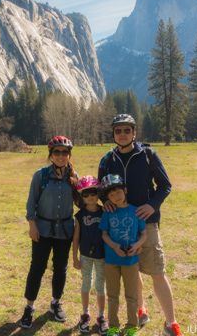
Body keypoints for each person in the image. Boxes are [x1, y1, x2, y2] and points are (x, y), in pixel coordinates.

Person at [98, 114, 182, 336]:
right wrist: (106, 201)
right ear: (113, 134)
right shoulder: (107, 160)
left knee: (157, 271)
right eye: (118, 130)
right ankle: (141, 310)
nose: (122, 134)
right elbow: (101, 190)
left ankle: (171, 323)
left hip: (146, 223)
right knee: (131, 270)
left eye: (127, 130)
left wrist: (152, 205)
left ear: (134, 132)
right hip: (119, 226)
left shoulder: (147, 155)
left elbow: (164, 185)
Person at [20, 135, 79, 329]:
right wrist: (32, 225)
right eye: (57, 152)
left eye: (65, 152)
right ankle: (29, 307)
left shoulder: (73, 177)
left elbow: (82, 201)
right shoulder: (40, 176)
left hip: (64, 231)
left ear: (69, 155)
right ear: (51, 155)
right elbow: (31, 203)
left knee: (60, 268)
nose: (61, 156)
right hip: (42, 230)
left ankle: (55, 303)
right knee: (37, 267)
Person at [99, 174, 146, 336]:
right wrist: (115, 246)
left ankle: (132, 325)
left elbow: (144, 234)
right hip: (111, 260)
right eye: (111, 195)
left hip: (131, 261)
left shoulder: (136, 211)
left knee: (131, 295)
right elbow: (104, 234)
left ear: (125, 190)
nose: (115, 197)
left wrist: (137, 245)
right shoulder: (108, 212)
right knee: (112, 295)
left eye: (118, 192)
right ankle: (113, 325)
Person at [72, 176, 109, 335]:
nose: (90, 197)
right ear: (82, 197)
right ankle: (85, 314)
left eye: (93, 193)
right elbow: (76, 237)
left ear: (98, 194)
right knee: (86, 283)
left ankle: (101, 316)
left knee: (100, 286)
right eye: (85, 194)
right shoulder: (79, 215)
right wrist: (74, 257)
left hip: (102, 256)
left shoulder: (105, 211)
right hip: (85, 256)